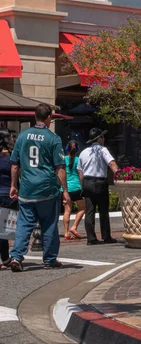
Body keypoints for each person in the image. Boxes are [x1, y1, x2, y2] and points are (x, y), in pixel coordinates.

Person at [9, 103, 71, 272]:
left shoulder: (22, 136)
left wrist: (14, 185)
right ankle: (49, 259)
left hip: (27, 189)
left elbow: (15, 165)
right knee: (49, 223)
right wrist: (65, 191)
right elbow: (60, 167)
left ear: (35, 116)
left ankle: (16, 256)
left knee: (24, 224)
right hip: (46, 189)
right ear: (49, 117)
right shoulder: (53, 138)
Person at [77, 128, 119, 245]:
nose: (104, 139)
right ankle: (106, 236)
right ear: (99, 138)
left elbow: (80, 172)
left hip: (87, 182)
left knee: (89, 211)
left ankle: (91, 238)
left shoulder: (83, 152)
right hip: (100, 183)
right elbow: (112, 164)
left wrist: (82, 186)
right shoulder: (102, 150)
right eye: (102, 137)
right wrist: (120, 176)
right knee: (103, 211)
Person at [62, 140, 86, 240]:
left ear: (67, 149)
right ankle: (74, 226)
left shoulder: (63, 159)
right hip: (76, 187)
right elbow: (81, 175)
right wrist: (82, 186)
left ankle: (66, 232)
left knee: (67, 210)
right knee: (83, 207)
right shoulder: (78, 160)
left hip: (66, 188)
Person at [0, 130, 16, 269]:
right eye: (10, 137)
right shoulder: (11, 158)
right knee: (4, 229)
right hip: (7, 194)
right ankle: (5, 259)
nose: (12, 139)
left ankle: (5, 258)